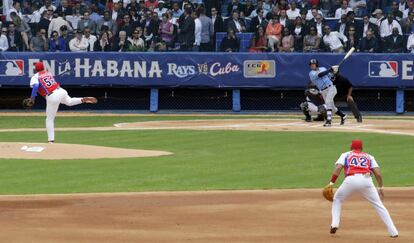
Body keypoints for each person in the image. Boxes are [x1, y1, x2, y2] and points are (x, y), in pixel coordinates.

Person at [326, 139, 399, 238]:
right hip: (367, 180)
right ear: (362, 148)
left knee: (337, 199)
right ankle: (393, 231)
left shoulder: (346, 154)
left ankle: (335, 224)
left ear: (351, 147)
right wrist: (381, 187)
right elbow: (378, 173)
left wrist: (331, 183)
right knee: (379, 205)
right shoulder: (369, 156)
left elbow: (338, 168)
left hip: (350, 180)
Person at [28, 62, 97, 143]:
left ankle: (51, 140)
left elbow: (36, 86)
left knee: (49, 119)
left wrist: (32, 98)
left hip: (52, 95)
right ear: (43, 67)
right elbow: (41, 70)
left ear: (35, 69)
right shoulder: (48, 73)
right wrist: (37, 64)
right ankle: (83, 99)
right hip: (61, 90)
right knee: (69, 101)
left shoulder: (35, 77)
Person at [308, 59, 347, 126]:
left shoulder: (323, 68)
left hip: (331, 88)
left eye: (313, 64)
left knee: (328, 102)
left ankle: (329, 121)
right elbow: (320, 75)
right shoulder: (311, 73)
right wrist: (330, 69)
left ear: (316, 64)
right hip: (323, 91)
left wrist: (335, 73)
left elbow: (331, 77)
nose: (312, 66)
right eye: (311, 65)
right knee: (332, 107)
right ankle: (343, 116)